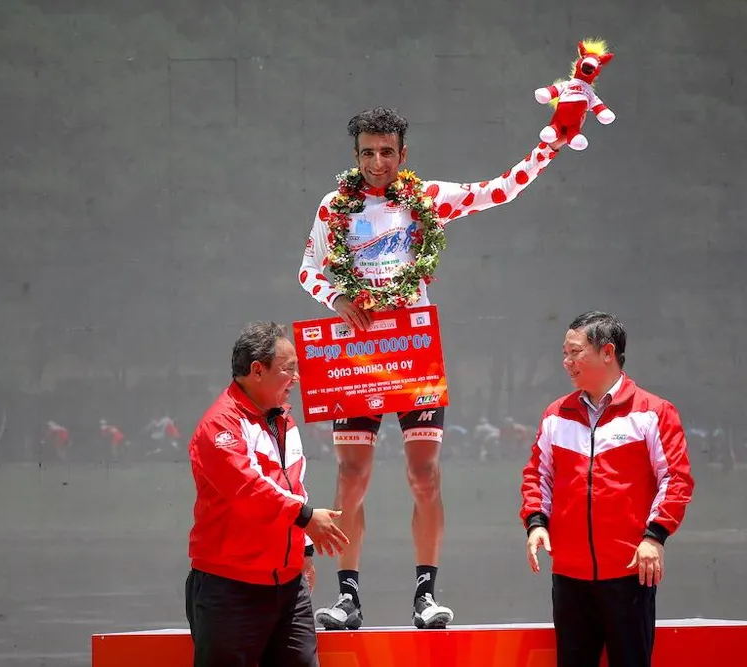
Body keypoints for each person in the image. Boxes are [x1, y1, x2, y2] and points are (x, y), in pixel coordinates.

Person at [298, 106, 570, 630]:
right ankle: (348, 598)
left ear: (403, 154)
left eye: (387, 152)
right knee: (351, 476)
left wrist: (548, 147)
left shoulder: (426, 199)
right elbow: (308, 269)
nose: (377, 162)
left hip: (414, 352)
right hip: (357, 357)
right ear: (355, 155)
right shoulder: (334, 207)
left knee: (424, 474)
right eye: (368, 153)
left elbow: (500, 190)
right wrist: (336, 298)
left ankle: (425, 594)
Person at [520, 311, 695, 667]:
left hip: (630, 572)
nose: (567, 362)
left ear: (607, 352)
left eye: (575, 352)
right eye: (565, 354)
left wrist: (655, 537)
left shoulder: (653, 412)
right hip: (569, 575)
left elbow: (675, 479)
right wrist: (536, 523)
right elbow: (537, 475)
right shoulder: (556, 414)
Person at [184, 321, 350, 667]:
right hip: (230, 589)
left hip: (289, 587)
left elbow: (294, 486)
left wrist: (305, 551)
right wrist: (307, 518)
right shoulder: (220, 425)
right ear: (257, 370)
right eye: (289, 369)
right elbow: (247, 490)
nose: (297, 379)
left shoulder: (284, 419)